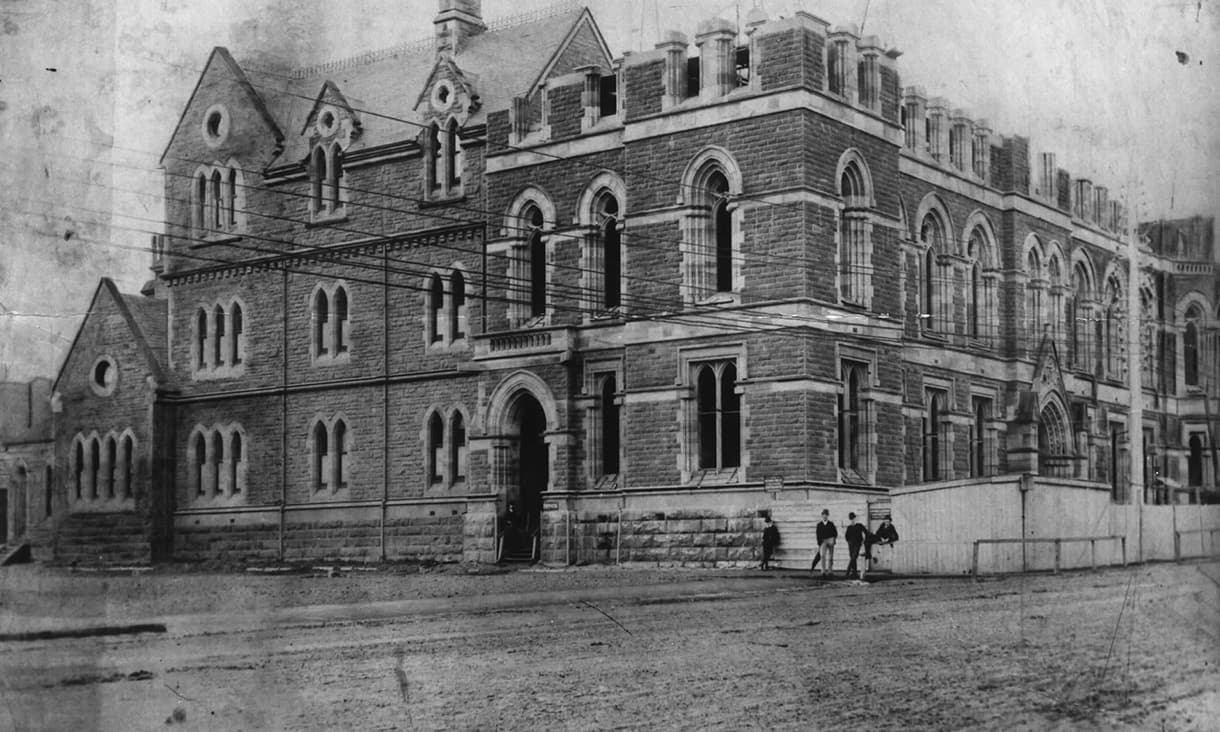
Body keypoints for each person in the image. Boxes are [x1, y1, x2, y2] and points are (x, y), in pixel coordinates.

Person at [809, 509, 837, 576]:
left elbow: (835, 533)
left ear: (828, 516)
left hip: (830, 540)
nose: (825, 516)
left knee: (830, 557)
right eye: (824, 515)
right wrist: (819, 543)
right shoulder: (819, 525)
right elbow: (818, 534)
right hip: (823, 541)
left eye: (826, 515)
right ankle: (823, 571)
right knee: (823, 556)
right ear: (822, 516)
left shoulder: (831, 524)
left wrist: (833, 539)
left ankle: (830, 571)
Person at [844, 512, 867, 579]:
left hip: (858, 543)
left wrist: (863, 540)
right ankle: (854, 573)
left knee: (853, 557)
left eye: (853, 518)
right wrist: (849, 542)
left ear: (855, 518)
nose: (852, 520)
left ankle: (847, 572)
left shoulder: (859, 525)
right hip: (851, 544)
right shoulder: (849, 527)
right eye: (851, 519)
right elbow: (846, 536)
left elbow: (866, 532)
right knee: (853, 558)